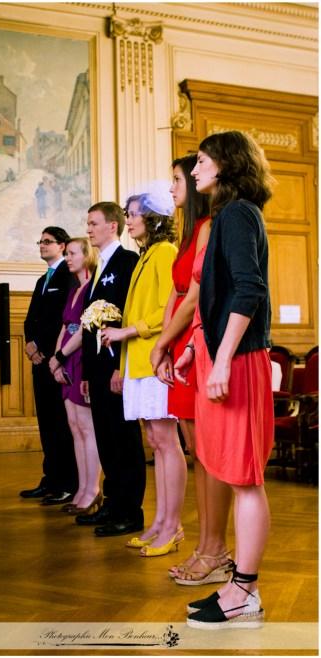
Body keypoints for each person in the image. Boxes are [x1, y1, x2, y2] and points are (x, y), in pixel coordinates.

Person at [175, 131, 274, 629]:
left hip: (238, 361)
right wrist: (198, 347)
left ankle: (243, 591)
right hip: (224, 356)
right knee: (236, 477)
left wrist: (220, 360)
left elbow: (249, 290)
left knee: (245, 480)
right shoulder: (230, 216)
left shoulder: (237, 214)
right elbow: (217, 296)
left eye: (201, 160)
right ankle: (243, 588)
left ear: (226, 164)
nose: (195, 172)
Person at [151, 157, 234, 584]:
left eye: (177, 179)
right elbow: (175, 293)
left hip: (196, 337)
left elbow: (196, 297)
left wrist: (167, 342)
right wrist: (163, 343)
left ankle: (214, 548)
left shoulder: (209, 228)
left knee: (210, 452)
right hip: (180, 338)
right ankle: (206, 547)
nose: (172, 188)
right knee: (197, 451)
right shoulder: (188, 235)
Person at [101, 187, 184, 556]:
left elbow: (170, 309)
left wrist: (127, 332)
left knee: (167, 443)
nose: (128, 220)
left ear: (153, 218)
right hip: (137, 360)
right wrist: (121, 364)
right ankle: (160, 522)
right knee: (156, 442)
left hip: (154, 359)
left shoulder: (165, 251)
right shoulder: (147, 255)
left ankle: (172, 525)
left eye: (133, 213)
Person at [76, 202, 144, 537]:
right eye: (87, 223)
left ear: (113, 226)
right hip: (98, 367)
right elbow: (91, 323)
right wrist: (88, 373)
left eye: (94, 223)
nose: (88, 229)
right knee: (105, 436)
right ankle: (112, 504)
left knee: (124, 439)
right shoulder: (98, 265)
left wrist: (120, 367)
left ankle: (130, 511)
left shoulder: (128, 261)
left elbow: (128, 317)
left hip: (117, 365)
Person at [21, 228, 78, 504]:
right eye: (40, 241)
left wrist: (49, 352)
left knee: (62, 423)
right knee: (46, 421)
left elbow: (63, 320)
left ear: (62, 245)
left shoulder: (69, 277)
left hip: (57, 359)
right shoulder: (42, 279)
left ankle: (68, 482)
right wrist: (29, 344)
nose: (42, 245)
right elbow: (31, 318)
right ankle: (51, 479)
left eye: (47, 241)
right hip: (38, 360)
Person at [47, 237, 101, 516]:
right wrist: (56, 360)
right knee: (74, 426)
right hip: (66, 357)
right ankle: (82, 487)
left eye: (72, 253)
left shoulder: (93, 287)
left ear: (87, 256)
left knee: (87, 426)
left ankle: (93, 488)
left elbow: (84, 330)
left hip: (80, 357)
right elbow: (65, 325)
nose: (67, 258)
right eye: (66, 253)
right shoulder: (75, 290)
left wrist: (62, 355)